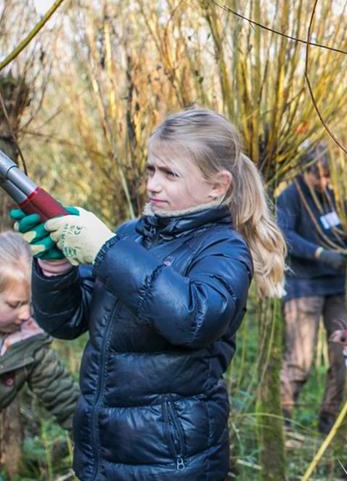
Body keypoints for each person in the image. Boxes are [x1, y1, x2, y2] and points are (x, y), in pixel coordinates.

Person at [12, 107, 286, 480]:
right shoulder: (128, 236)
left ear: (217, 186)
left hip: (174, 461)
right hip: (102, 451)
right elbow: (67, 321)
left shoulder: (224, 249)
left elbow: (195, 318)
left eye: (170, 174)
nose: (154, 184)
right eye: (151, 170)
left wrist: (107, 252)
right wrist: (54, 267)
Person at [276, 142, 347, 434]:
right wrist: (319, 254)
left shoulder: (332, 195)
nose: (323, 183)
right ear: (305, 172)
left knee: (342, 356)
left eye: (327, 176)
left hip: (335, 286)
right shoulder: (290, 197)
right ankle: (284, 425)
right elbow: (284, 235)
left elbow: (344, 227)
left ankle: (328, 424)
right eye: (318, 176)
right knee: (300, 362)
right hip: (303, 286)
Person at [0, 232, 78, 432]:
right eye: (15, 304)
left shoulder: (30, 342)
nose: (26, 314)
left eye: (30, 302)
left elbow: (64, 399)